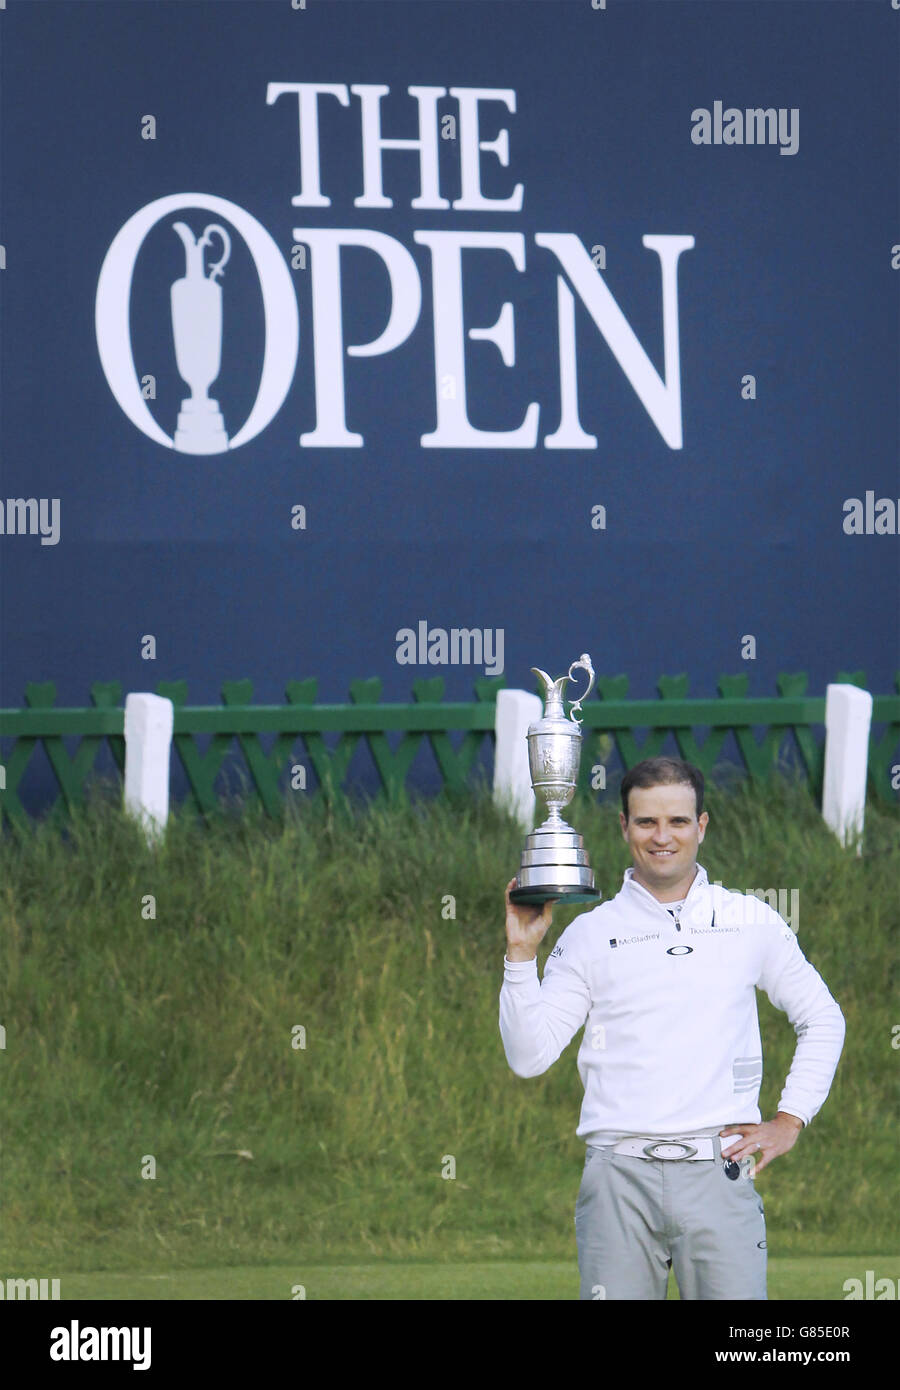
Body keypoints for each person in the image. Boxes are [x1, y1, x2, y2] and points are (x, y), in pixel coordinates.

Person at [499, 756, 845, 1300]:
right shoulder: (591, 934)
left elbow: (822, 1016)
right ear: (624, 827)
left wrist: (791, 1117)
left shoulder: (749, 920)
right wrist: (521, 957)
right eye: (646, 822)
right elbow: (528, 1056)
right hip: (617, 1181)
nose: (662, 837)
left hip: (719, 1174)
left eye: (678, 822)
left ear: (701, 826)